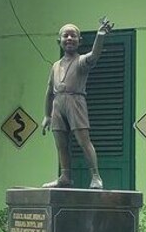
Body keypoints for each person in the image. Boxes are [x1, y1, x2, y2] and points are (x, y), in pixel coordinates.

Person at [41, 18, 113, 190]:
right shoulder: (55, 66)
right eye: (65, 36)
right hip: (58, 104)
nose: (69, 38)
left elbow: (95, 54)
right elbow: (49, 91)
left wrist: (100, 36)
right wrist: (46, 115)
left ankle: (95, 176)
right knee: (61, 143)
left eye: (73, 36)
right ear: (59, 41)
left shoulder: (81, 61)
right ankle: (65, 176)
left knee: (83, 140)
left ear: (79, 41)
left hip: (76, 101)